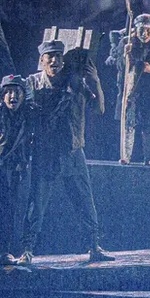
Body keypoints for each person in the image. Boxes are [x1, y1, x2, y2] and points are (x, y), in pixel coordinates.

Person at [18, 40, 112, 266]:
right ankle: (27, 250)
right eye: (49, 57)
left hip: (72, 151)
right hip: (45, 153)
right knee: (36, 204)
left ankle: (94, 246)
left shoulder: (75, 82)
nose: (54, 61)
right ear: (41, 61)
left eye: (58, 56)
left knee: (85, 202)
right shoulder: (32, 83)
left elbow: (99, 109)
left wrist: (95, 81)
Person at [109, 13, 150, 163]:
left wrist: (143, 66)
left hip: (148, 90)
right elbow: (120, 67)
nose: (144, 34)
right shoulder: (126, 42)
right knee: (128, 123)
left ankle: (149, 157)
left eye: (148, 30)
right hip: (129, 89)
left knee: (148, 124)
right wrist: (125, 56)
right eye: (141, 30)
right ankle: (125, 156)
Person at [0, 75, 32, 265]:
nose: (13, 96)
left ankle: (3, 251)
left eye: (17, 92)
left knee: (8, 211)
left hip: (12, 171)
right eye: (9, 92)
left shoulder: (27, 116)